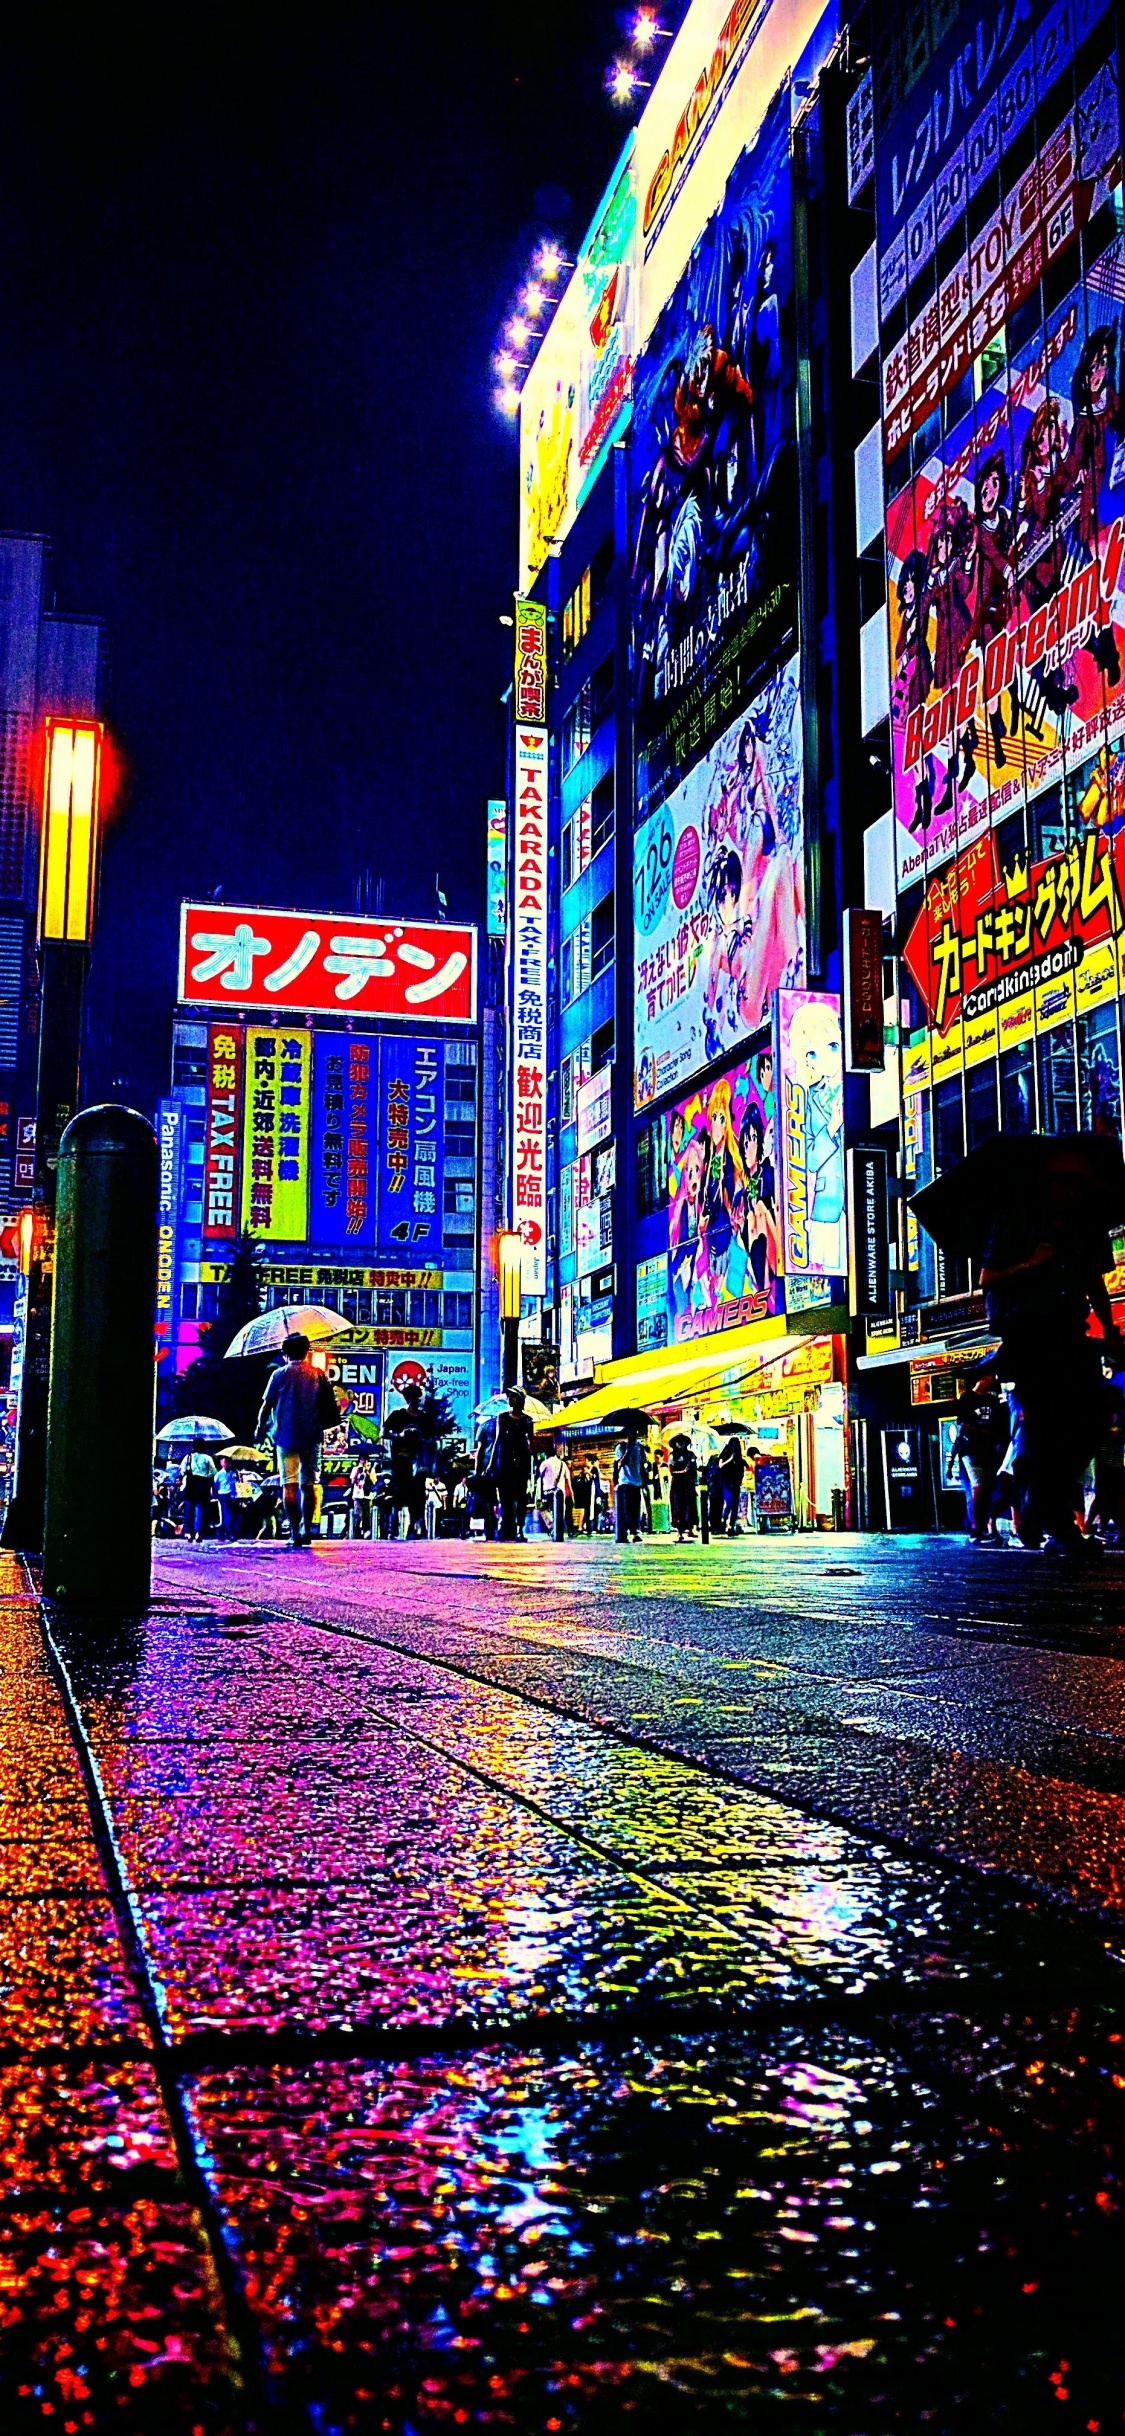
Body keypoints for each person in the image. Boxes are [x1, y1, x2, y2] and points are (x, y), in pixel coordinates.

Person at [980, 1150, 1123, 1553]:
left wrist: (1110, 1329)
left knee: (1091, 1417)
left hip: (1071, 1330)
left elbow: (1096, 1283)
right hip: (1028, 1332)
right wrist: (1033, 1262)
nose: (1071, 1191)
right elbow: (988, 1277)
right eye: (1065, 1182)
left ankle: (1040, 1497)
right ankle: (1054, 1520)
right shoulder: (1017, 1221)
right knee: (1046, 1423)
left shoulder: (1084, 1226)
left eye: (1078, 1184)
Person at [255, 1334, 341, 1549]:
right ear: (306, 1352)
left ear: (285, 1354)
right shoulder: (318, 1375)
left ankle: (294, 1532)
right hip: (311, 1436)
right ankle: (306, 1529)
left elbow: (266, 1406)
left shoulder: (278, 1375)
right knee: (308, 1485)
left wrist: (259, 1428)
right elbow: (329, 1404)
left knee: (289, 1485)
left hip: (285, 1436)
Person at [945, 1382, 1007, 1542]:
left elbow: (999, 1424)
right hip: (971, 1448)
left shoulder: (992, 1401)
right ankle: (976, 1529)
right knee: (978, 1486)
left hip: (989, 1450)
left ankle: (985, 1527)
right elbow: (963, 1424)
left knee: (988, 1489)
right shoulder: (967, 1398)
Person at [383, 1382, 432, 1538]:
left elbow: (432, 1437)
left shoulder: (424, 1418)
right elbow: (383, 1433)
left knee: (418, 1494)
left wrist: (423, 1440)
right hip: (400, 1461)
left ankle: (415, 1525)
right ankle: (394, 1526)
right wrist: (400, 1436)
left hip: (418, 1462)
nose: (418, 1400)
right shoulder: (398, 1415)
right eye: (415, 1397)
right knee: (399, 1492)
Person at [488, 1388, 534, 1541]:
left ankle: (520, 1528)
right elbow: (498, 1440)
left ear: (520, 1399)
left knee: (521, 1498)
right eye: (509, 1397)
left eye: (513, 1396)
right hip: (505, 1463)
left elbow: (530, 1443)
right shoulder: (502, 1418)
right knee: (506, 1498)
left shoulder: (527, 1420)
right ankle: (507, 1528)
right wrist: (491, 1463)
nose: (510, 1399)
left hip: (521, 1463)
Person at [613, 1428, 647, 1543]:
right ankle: (624, 1532)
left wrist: (644, 1481)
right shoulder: (620, 1447)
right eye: (630, 1433)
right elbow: (620, 1463)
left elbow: (642, 1464)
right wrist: (627, 1450)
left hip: (637, 1482)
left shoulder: (640, 1448)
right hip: (625, 1482)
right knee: (625, 1509)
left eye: (635, 1433)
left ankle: (635, 1531)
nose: (633, 1436)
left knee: (635, 1509)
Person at [179, 1440, 217, 1542]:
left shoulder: (188, 1457)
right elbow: (213, 1472)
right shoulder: (207, 1458)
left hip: (191, 1484)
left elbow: (182, 1471)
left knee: (189, 1509)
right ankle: (198, 1532)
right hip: (203, 1485)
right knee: (200, 1509)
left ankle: (188, 1532)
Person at [669, 1433, 698, 1541]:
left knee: (690, 1506)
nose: (681, 1444)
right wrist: (682, 1472)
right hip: (677, 1484)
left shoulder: (690, 1455)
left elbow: (694, 1469)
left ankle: (690, 1529)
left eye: (683, 1442)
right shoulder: (673, 1456)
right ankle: (679, 1532)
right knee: (678, 1507)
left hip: (688, 1484)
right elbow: (671, 1470)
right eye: (679, 1442)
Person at [539, 1445, 574, 1535]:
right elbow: (568, 1479)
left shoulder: (545, 1463)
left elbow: (540, 1475)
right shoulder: (563, 1464)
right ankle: (557, 1529)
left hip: (548, 1491)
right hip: (560, 1492)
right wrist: (571, 1493)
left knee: (542, 1508)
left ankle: (552, 1526)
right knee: (558, 1512)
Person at [717, 1434, 746, 1534]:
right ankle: (723, 1521)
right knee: (729, 1503)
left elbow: (742, 1470)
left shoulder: (739, 1457)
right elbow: (720, 1465)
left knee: (735, 1505)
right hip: (726, 1483)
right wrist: (730, 1459)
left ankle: (731, 1526)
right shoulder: (725, 1452)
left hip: (736, 1483)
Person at [214, 1454, 241, 1541]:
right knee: (226, 1513)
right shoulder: (219, 1474)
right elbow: (216, 1485)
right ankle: (229, 1532)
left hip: (232, 1495)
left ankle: (225, 1532)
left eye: (227, 1462)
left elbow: (237, 1483)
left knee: (233, 1514)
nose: (226, 1464)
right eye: (223, 1462)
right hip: (223, 1494)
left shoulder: (233, 1473)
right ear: (221, 1463)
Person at [349, 1457, 373, 1540]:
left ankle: (366, 1532)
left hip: (366, 1496)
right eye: (362, 1460)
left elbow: (372, 1481)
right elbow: (352, 1481)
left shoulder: (369, 1469)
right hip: (358, 1495)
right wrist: (358, 1473)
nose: (364, 1462)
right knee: (357, 1515)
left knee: (367, 1516)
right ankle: (357, 1532)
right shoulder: (355, 1469)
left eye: (365, 1460)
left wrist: (367, 1471)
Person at [570, 1454, 593, 1536]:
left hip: (588, 1494)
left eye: (585, 1460)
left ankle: (583, 1527)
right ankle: (581, 1527)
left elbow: (594, 1478)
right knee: (583, 1510)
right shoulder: (582, 1474)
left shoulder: (593, 1470)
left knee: (586, 1511)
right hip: (583, 1495)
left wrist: (588, 1473)